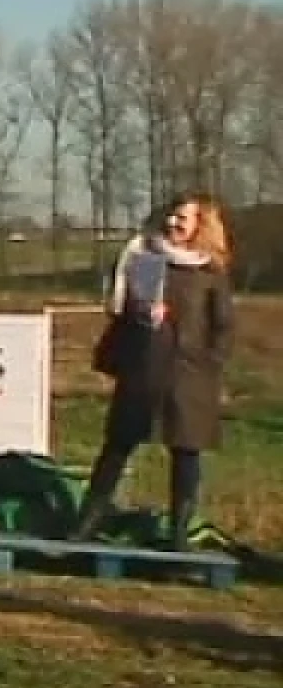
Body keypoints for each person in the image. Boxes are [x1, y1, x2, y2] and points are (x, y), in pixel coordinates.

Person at [70, 191, 236, 549]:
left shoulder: (211, 273)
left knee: (186, 455)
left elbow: (223, 327)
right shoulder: (145, 259)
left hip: (190, 378)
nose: (173, 223)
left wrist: (209, 365)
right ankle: (83, 528)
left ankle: (178, 539)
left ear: (200, 226)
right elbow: (123, 313)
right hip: (144, 370)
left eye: (183, 218)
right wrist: (142, 314)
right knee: (117, 448)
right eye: (172, 216)